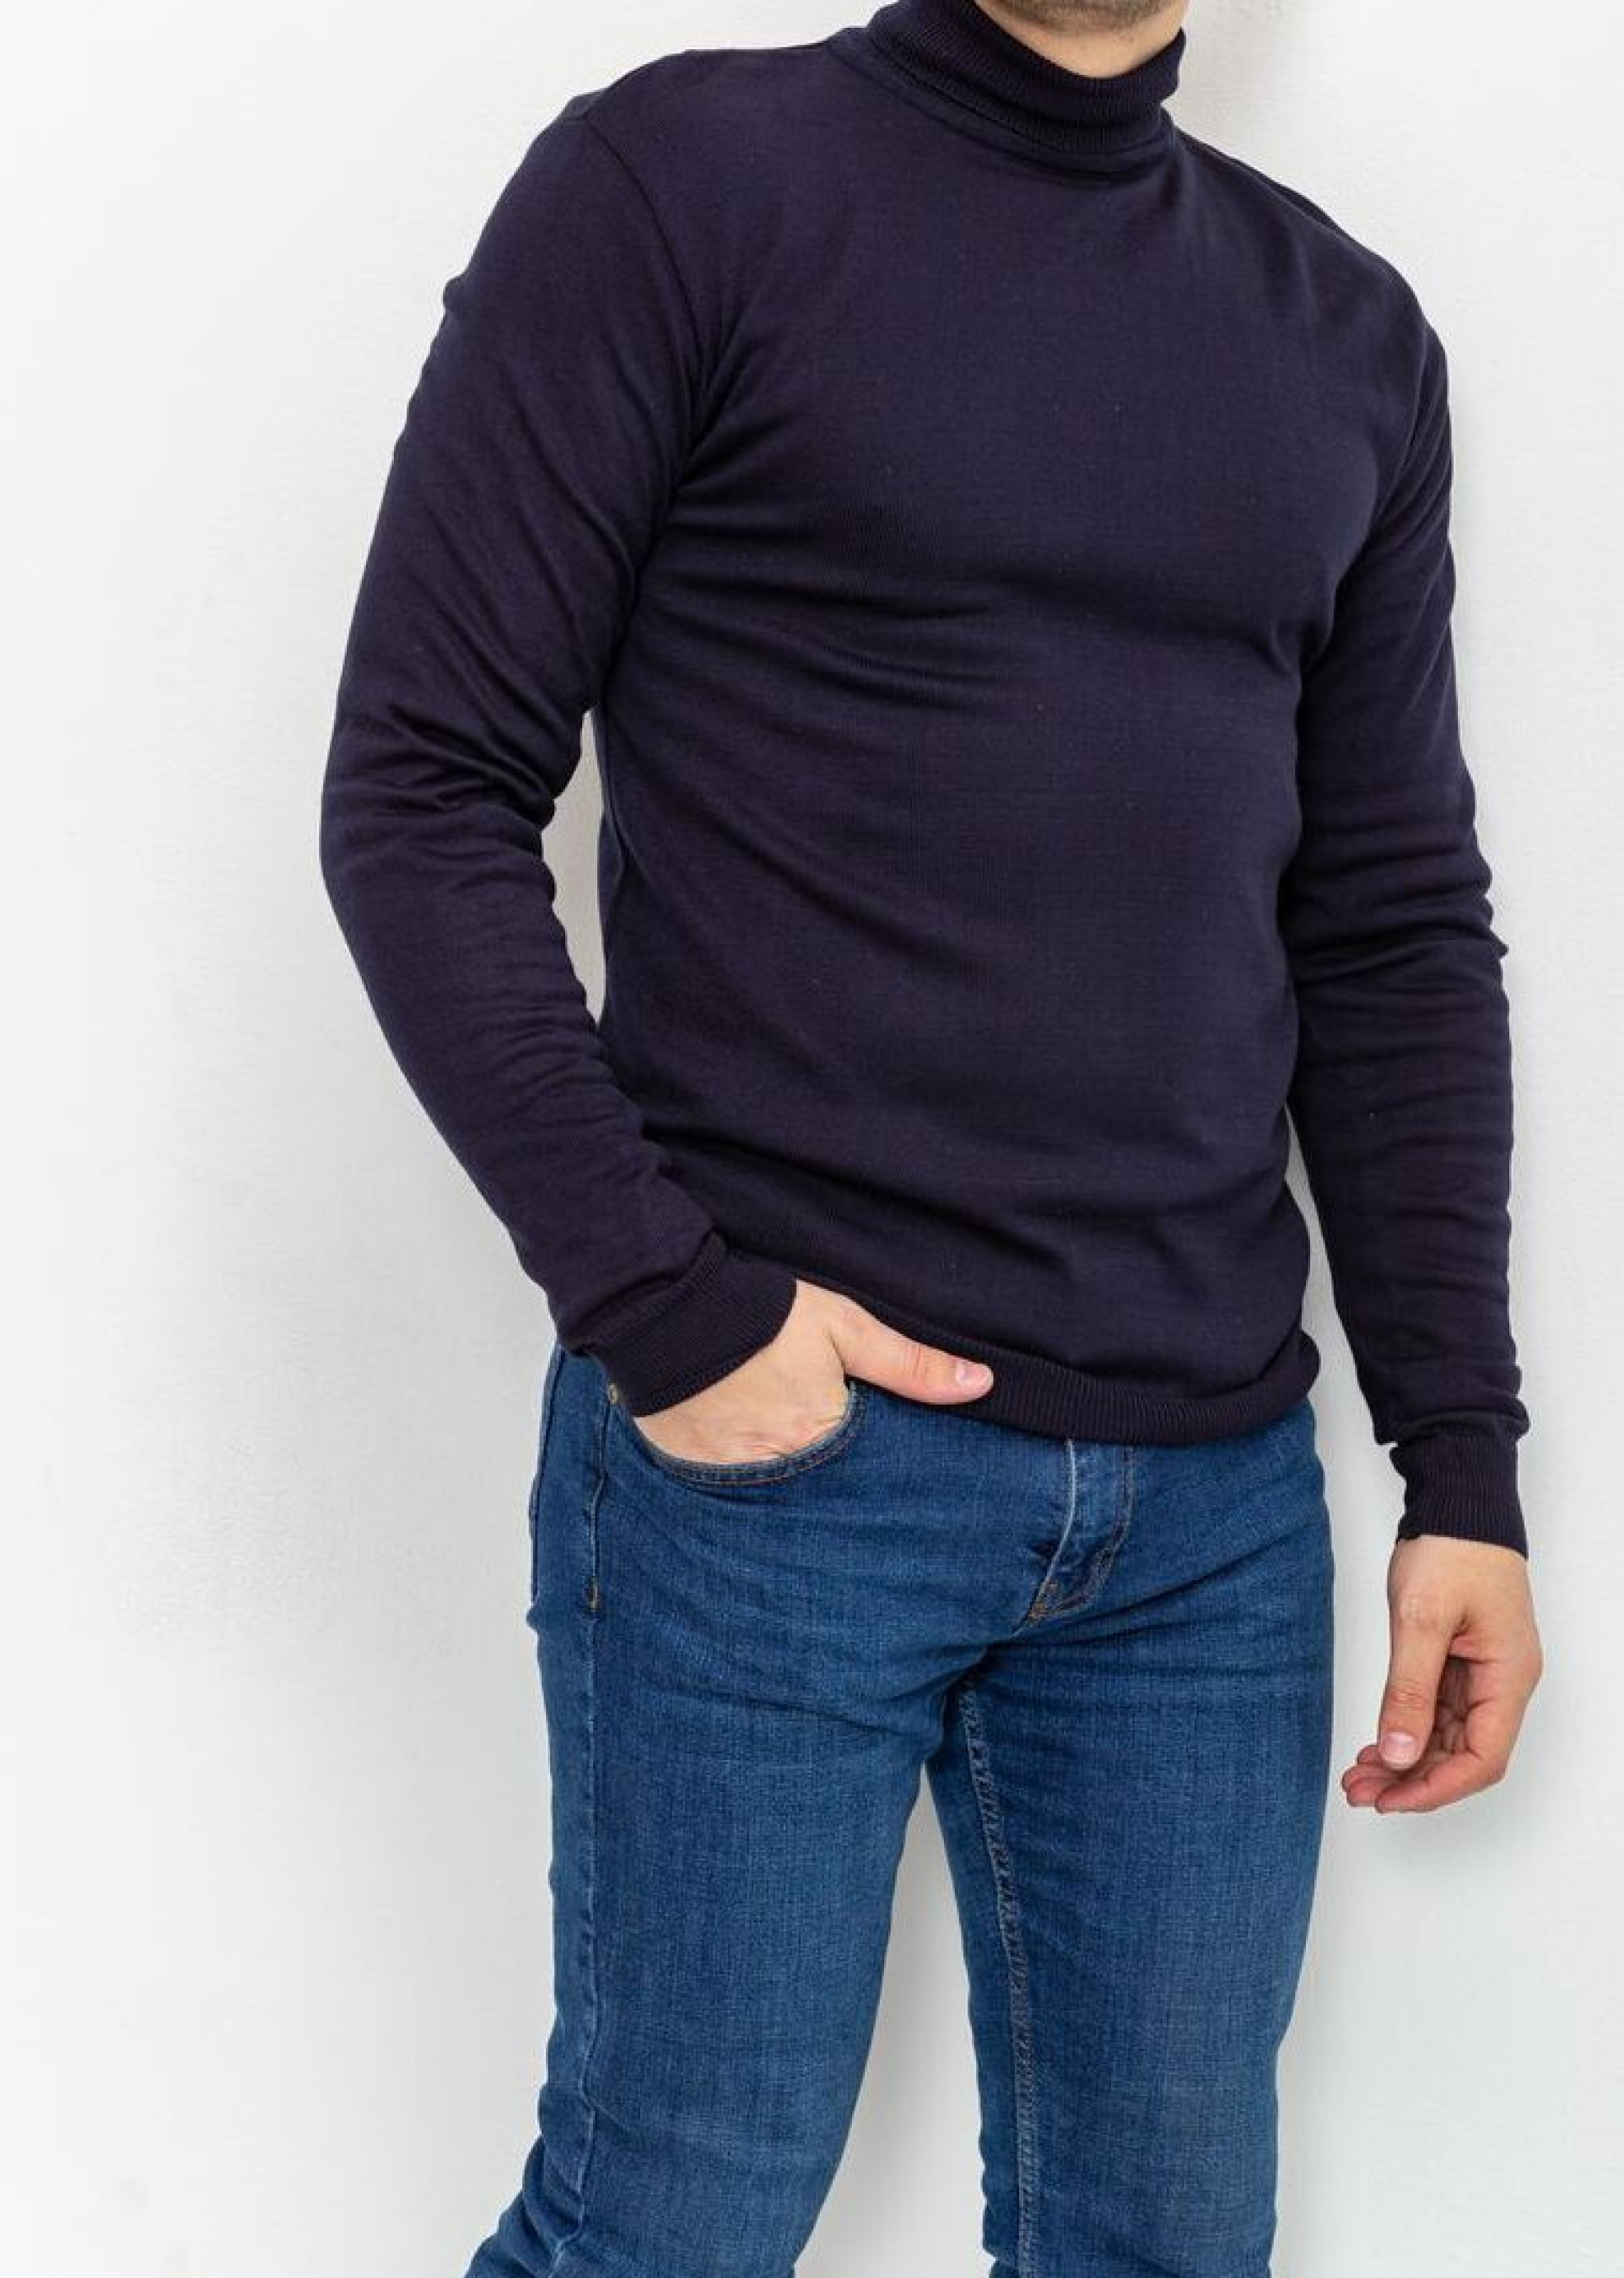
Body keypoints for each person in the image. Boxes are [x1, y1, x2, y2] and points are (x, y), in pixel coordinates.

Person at [318, 0, 1546, 2269]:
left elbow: (1385, 929)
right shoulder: (680, 186)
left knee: (1168, 2241)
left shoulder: (1344, 332)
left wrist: (1458, 1460)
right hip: (779, 1470)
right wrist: (670, 1312)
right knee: (668, 2220)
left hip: (1206, 1516)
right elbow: (421, 784)